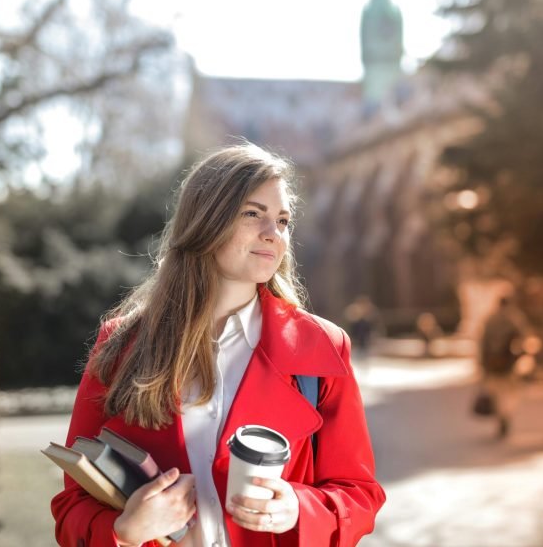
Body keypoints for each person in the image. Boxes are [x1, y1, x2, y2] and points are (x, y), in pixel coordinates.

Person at [51, 144, 386, 546]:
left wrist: (298, 508)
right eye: (252, 213)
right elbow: (72, 504)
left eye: (282, 220)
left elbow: (359, 494)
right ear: (205, 221)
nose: (273, 234)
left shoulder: (323, 348)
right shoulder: (120, 345)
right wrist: (123, 532)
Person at [479, 296, 523, 438]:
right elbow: (522, 338)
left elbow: (483, 343)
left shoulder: (490, 320)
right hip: (507, 363)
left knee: (496, 392)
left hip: (492, 364)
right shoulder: (514, 319)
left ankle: (501, 416)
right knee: (507, 392)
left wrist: (482, 363)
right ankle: (505, 415)